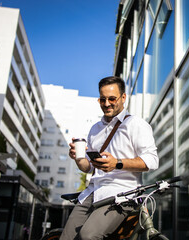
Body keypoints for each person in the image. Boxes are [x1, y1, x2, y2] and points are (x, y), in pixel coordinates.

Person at [60, 76, 159, 240]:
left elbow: (152, 161)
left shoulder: (136, 124)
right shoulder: (95, 129)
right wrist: (78, 159)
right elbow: (89, 168)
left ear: (123, 97)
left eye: (112, 99)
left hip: (121, 195)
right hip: (92, 192)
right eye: (102, 99)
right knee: (67, 238)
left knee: (88, 236)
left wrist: (117, 164)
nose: (106, 104)